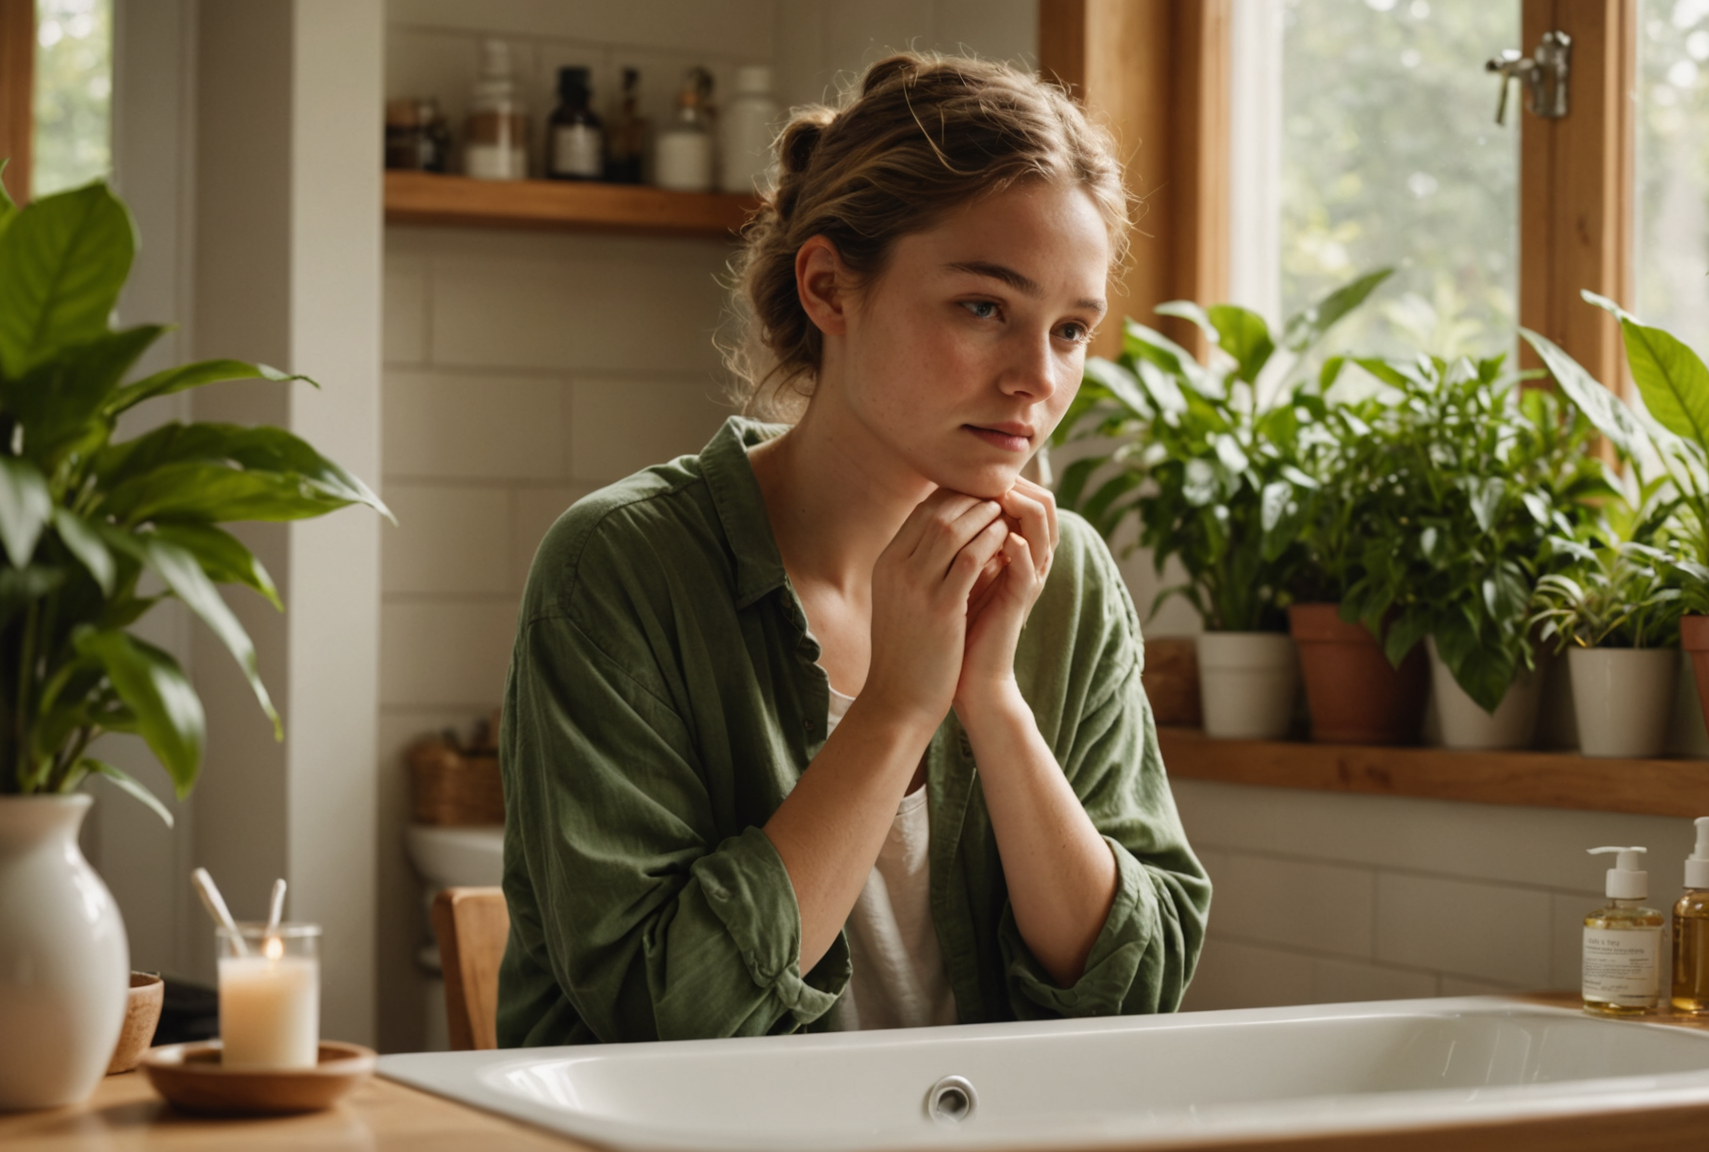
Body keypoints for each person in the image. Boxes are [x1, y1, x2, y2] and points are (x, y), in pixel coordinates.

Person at [496, 51, 1209, 1046]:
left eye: (1072, 330)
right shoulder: (622, 566)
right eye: (983, 308)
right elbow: (666, 1015)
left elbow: (1133, 1001)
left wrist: (992, 701)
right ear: (830, 287)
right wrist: (898, 708)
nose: (1035, 381)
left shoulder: (1065, 575)